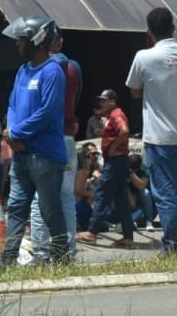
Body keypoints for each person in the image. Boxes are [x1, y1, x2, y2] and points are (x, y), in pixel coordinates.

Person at [125, 8, 177, 254]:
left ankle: (172, 245)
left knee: (167, 193)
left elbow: (135, 91)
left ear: (149, 33)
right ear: (174, 28)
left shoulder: (144, 57)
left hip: (160, 138)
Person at [0, 15, 69, 266]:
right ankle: (7, 259)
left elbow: (47, 113)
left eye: (21, 40)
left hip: (45, 156)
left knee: (50, 211)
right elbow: (13, 105)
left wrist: (16, 133)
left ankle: (61, 258)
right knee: (16, 209)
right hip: (22, 155)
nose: (18, 45)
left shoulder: (52, 73)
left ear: (37, 41)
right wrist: (10, 130)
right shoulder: (22, 71)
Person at [32, 27, 81, 262]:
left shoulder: (37, 70)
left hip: (45, 141)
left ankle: (42, 253)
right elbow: (76, 97)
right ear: (60, 41)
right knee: (66, 198)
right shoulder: (73, 68)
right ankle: (68, 252)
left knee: (40, 200)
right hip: (68, 138)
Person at [77, 89, 136, 248]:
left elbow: (124, 131)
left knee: (102, 194)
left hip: (116, 161)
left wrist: (113, 147)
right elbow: (114, 132)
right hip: (119, 161)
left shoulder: (116, 115)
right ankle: (128, 237)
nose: (101, 103)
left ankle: (92, 232)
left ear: (112, 101)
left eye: (104, 100)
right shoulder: (112, 116)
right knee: (121, 199)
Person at [73, 142, 100, 231]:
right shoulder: (83, 170)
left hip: (79, 203)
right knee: (103, 226)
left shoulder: (94, 167)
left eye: (97, 154)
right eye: (91, 155)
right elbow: (78, 190)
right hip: (77, 204)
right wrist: (92, 194)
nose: (95, 156)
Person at [128, 154, 157, 232]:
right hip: (130, 197)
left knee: (145, 192)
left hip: (146, 202)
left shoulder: (145, 169)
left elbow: (141, 186)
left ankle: (148, 222)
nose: (134, 170)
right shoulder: (124, 169)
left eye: (135, 169)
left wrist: (131, 173)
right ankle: (131, 221)